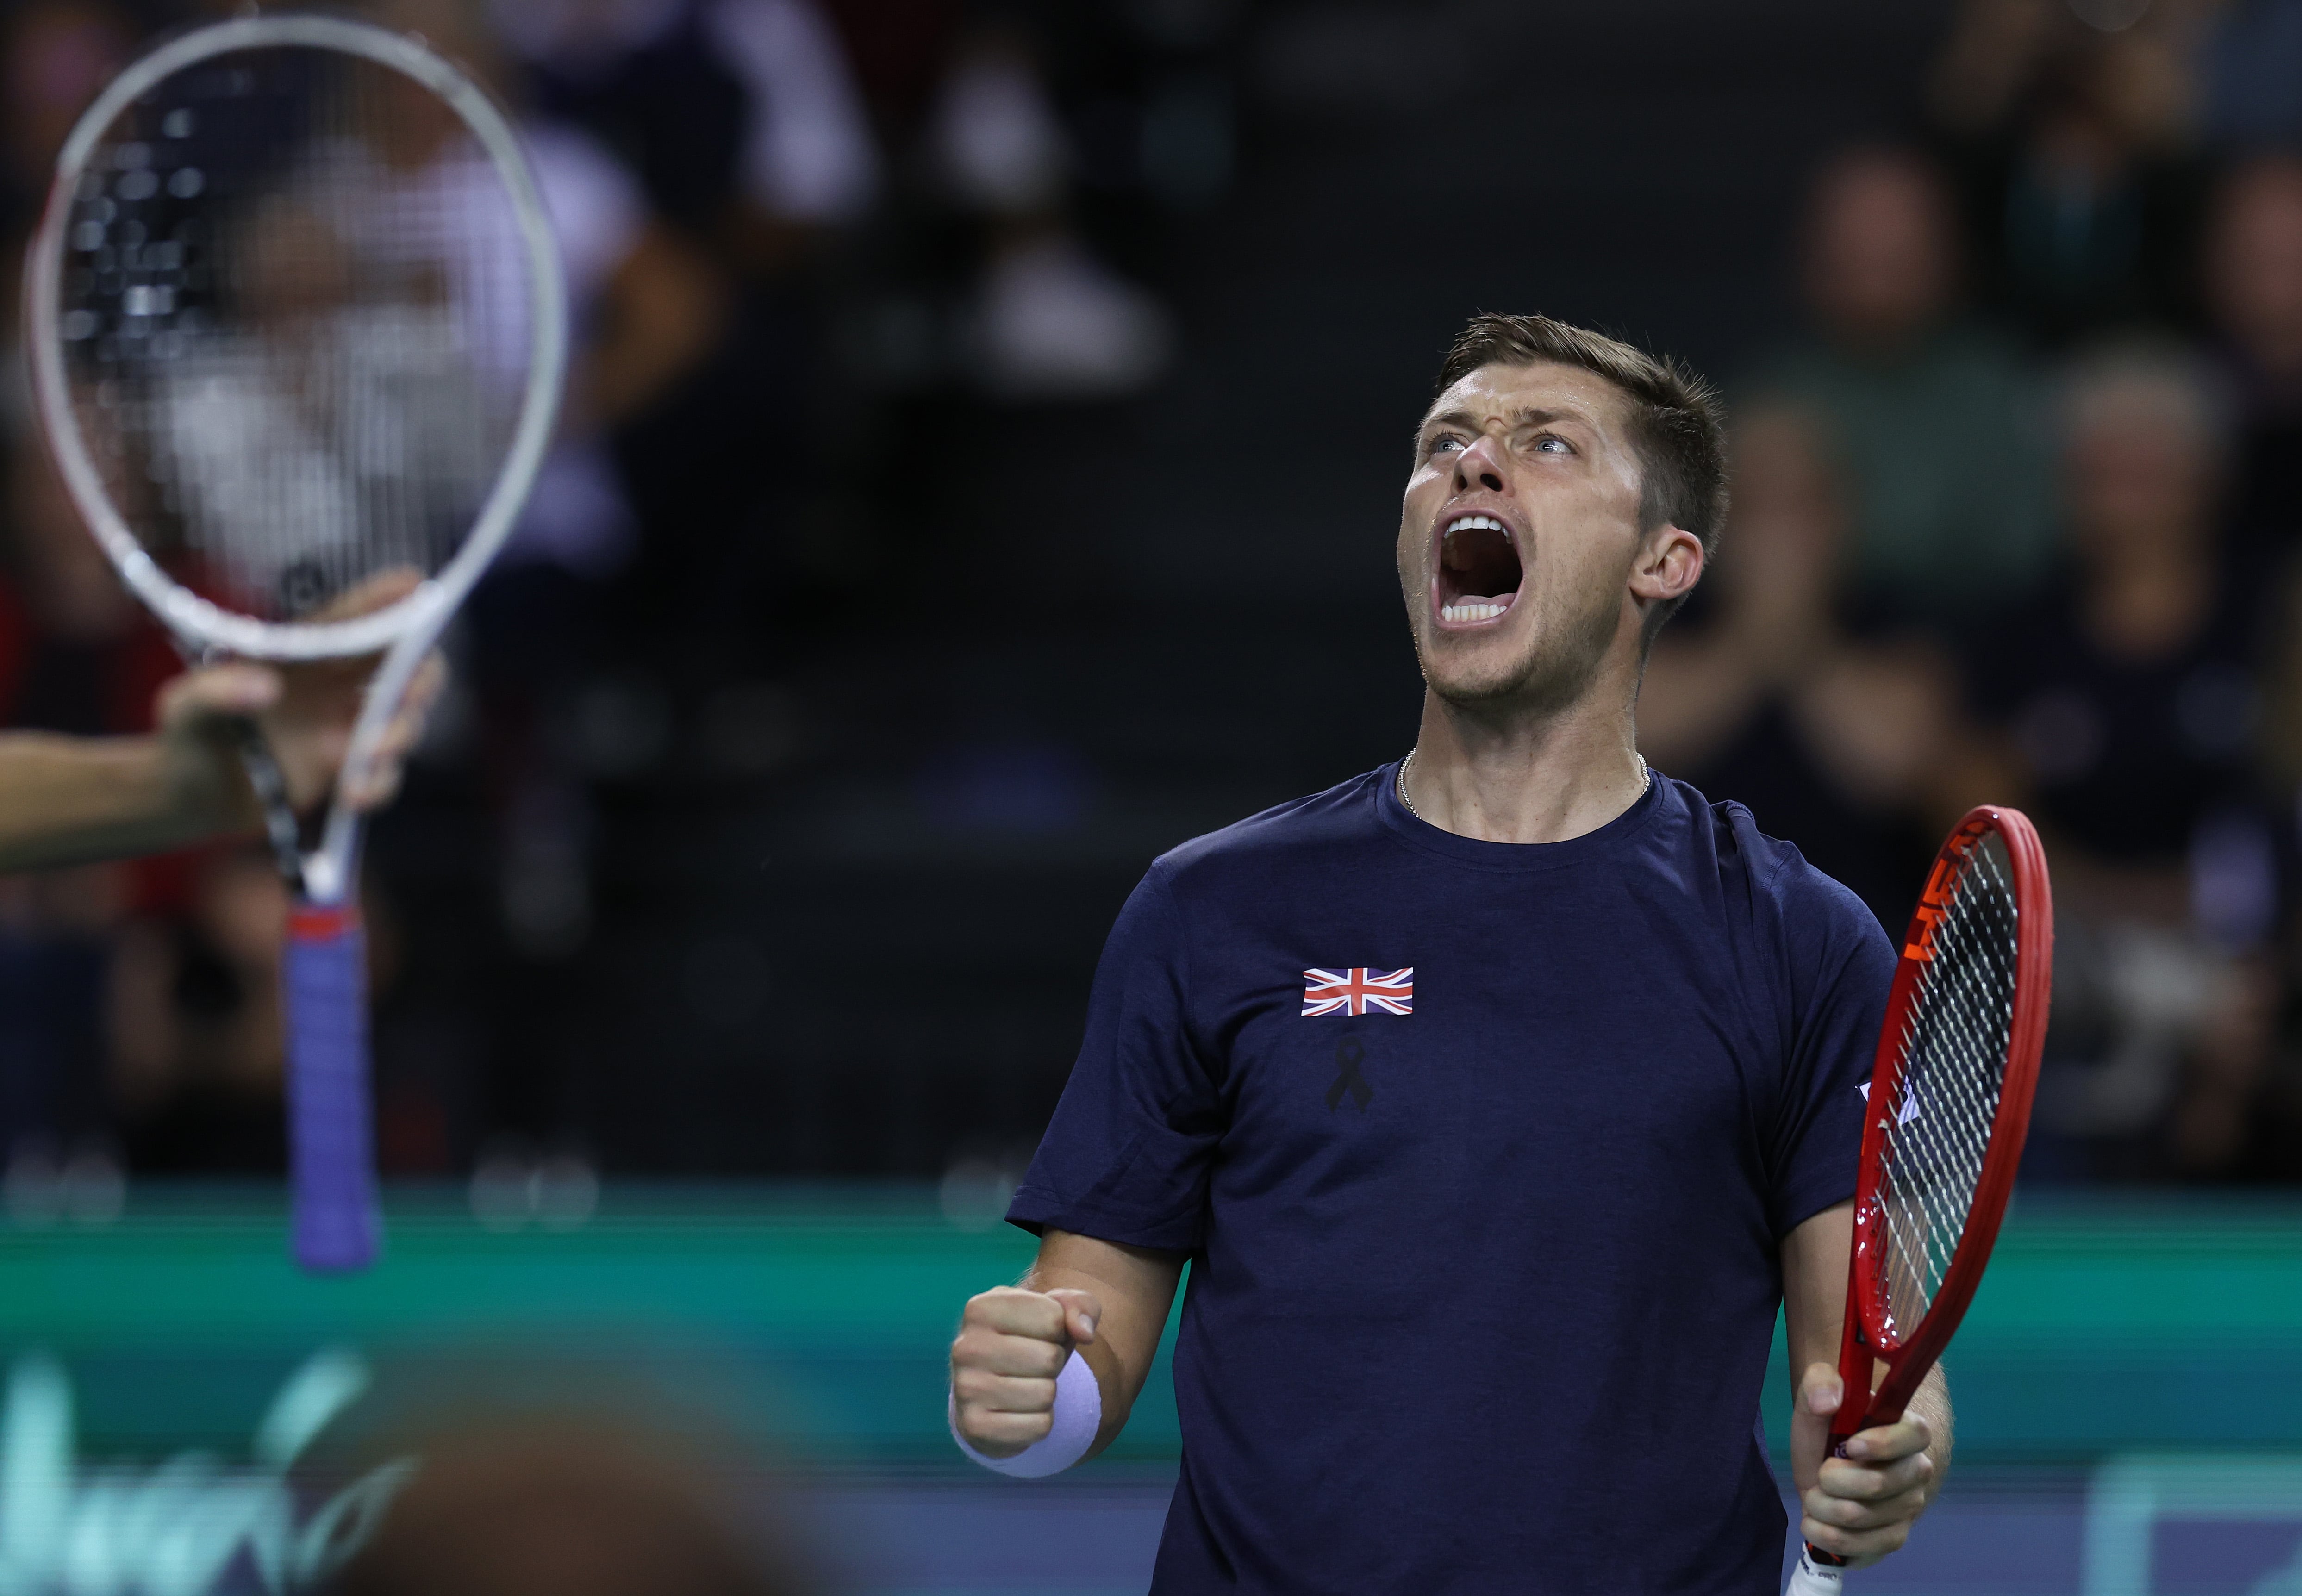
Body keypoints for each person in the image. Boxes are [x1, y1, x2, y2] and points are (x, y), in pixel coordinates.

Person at [947, 314, 1948, 1592]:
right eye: (1445, 444)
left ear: (1665, 559)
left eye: (1546, 445)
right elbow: (1085, 1327)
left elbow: (1868, 1368)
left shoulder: (1799, 939)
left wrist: (1883, 1457)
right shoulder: (1209, 910)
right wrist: (1030, 1398)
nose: (1474, 466)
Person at [1757, 146, 2057, 630]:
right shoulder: (1770, 395)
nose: (1876, 263)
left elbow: (2028, 555)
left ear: (1949, 251)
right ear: (1809, 255)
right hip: (1811, 641)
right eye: (1855, 242)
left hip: (1980, 643)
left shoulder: (2004, 388)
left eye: (1900, 242)